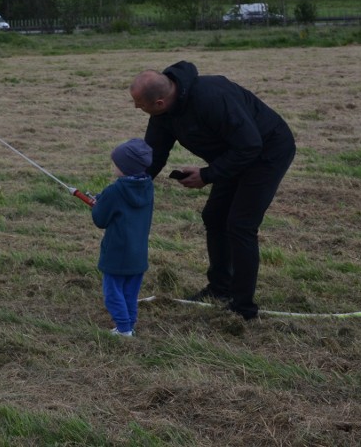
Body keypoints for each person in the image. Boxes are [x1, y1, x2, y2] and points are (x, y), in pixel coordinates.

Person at [129, 61, 296, 320]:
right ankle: (220, 288)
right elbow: (155, 154)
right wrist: (129, 187)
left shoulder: (212, 98)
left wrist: (207, 175)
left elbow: (250, 145)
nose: (137, 109)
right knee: (215, 216)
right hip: (233, 154)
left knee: (240, 224)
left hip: (266, 150)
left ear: (159, 101)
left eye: (139, 105)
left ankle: (243, 308)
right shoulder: (164, 114)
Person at [92, 138, 154, 337]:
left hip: (117, 252)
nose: (114, 167)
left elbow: (100, 219)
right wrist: (103, 200)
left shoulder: (114, 190)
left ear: (125, 167)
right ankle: (129, 325)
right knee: (130, 292)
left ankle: (124, 329)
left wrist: (98, 203)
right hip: (138, 253)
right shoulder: (148, 187)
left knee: (112, 292)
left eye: (116, 163)